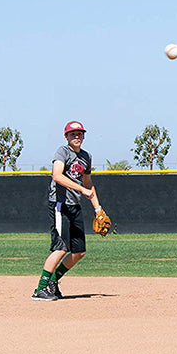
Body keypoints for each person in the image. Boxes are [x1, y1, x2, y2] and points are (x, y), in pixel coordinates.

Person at [31, 121, 103, 301]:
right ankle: (40, 289)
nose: (76, 137)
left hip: (74, 206)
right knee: (61, 248)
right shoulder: (62, 152)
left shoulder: (86, 156)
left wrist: (98, 209)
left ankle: (53, 283)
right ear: (66, 137)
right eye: (72, 134)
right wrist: (81, 190)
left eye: (79, 134)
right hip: (60, 204)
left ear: (84, 136)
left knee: (79, 252)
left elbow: (88, 184)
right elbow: (57, 175)